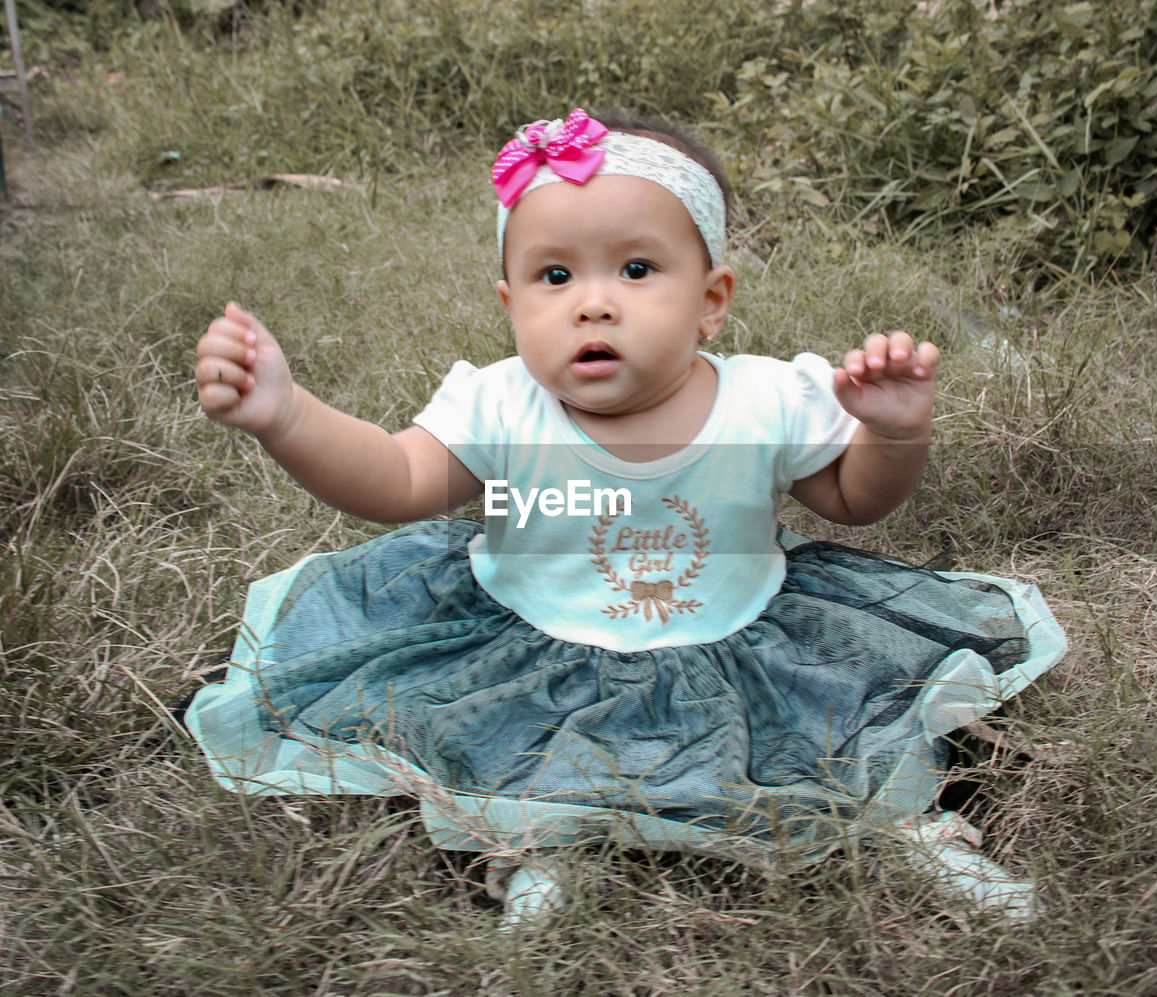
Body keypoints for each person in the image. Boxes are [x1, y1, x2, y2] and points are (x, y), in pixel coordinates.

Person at [187, 109, 1066, 923]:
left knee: (836, 736)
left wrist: (892, 432)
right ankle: (543, 843)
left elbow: (853, 501)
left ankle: (911, 829)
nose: (593, 301)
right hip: (535, 632)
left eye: (637, 270)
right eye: (554, 275)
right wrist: (288, 416)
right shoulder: (501, 403)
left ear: (711, 299)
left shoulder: (766, 398)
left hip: (737, 630)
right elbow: (395, 478)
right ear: (511, 304)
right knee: (521, 734)